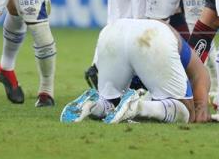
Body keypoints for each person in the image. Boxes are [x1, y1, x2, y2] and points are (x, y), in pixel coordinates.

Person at [60, 18, 211, 124]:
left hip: (112, 32)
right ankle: (137, 107)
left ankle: (93, 104)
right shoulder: (169, 44)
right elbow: (200, 72)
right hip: (150, 37)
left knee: (110, 102)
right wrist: (201, 104)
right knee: (186, 111)